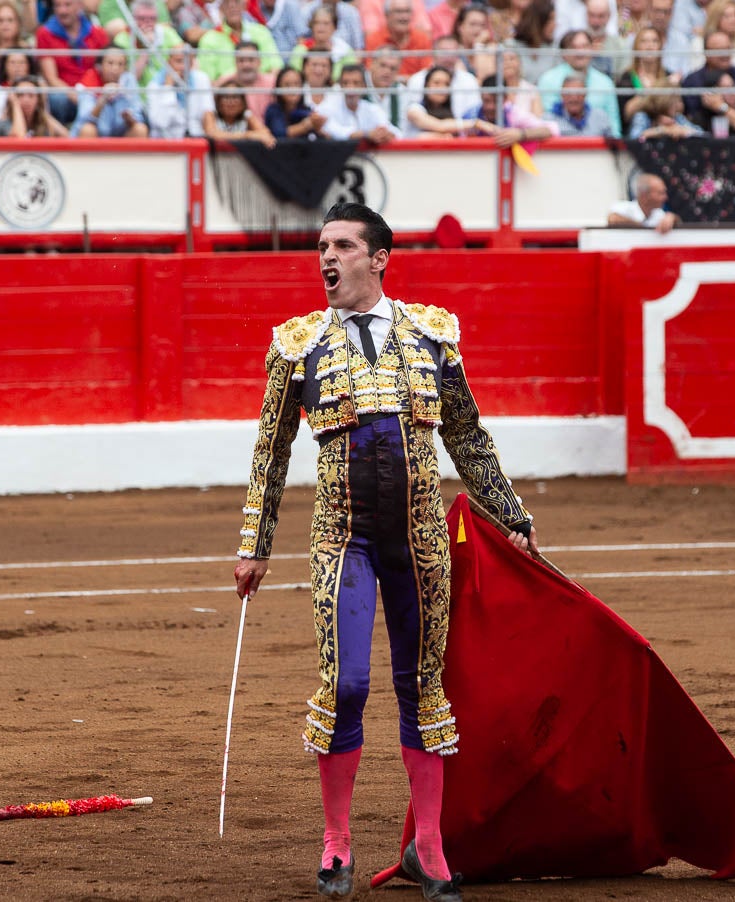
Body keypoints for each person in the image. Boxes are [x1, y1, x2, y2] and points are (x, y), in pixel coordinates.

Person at [233, 200, 538, 902]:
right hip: (343, 539)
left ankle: (427, 847)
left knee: (421, 687)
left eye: (341, 245)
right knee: (344, 685)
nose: (325, 258)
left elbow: (466, 435)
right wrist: (254, 545)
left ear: (378, 258)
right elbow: (268, 455)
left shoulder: (431, 335)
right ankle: (336, 840)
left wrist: (509, 513)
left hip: (421, 540)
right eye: (320, 247)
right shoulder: (297, 344)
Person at [35, 0, 112, 125]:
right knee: (57, 100)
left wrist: (92, 95)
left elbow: (105, 70)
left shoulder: (97, 33)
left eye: (67, 5)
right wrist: (77, 96)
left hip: (93, 92)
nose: (62, 11)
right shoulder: (44, 33)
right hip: (66, 95)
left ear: (80, 5)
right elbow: (51, 78)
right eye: (57, 6)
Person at [537, 28, 622, 135]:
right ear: (564, 53)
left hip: (598, 146)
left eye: (584, 46)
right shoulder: (548, 79)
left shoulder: (605, 82)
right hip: (560, 144)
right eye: (574, 47)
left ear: (592, 49)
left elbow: (613, 124)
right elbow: (547, 119)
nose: (580, 52)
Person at [198, 0, 284, 82]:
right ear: (220, 7)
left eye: (236, 1)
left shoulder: (261, 32)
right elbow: (208, 80)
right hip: (228, 94)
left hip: (261, 91)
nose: (232, 6)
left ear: (244, 5)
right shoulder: (209, 39)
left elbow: (276, 68)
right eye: (226, 2)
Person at [113, 0, 189, 92]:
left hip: (166, 91)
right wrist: (146, 48)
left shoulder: (167, 33)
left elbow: (186, 60)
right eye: (142, 18)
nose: (147, 22)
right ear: (133, 19)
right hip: (137, 96)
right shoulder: (122, 38)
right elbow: (129, 81)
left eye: (152, 18)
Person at [679, 29, 735, 117]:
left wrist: (733, 96)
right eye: (720, 50)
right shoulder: (692, 81)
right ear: (706, 53)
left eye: (728, 48)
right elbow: (691, 114)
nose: (725, 54)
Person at [73, 50, 150, 137]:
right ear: (100, 65)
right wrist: (103, 98)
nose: (115, 68)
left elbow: (138, 116)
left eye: (120, 64)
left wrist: (129, 118)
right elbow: (84, 120)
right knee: (87, 129)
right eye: (110, 63)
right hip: (97, 136)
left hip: (121, 135)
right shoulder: (90, 80)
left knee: (140, 129)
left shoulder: (128, 80)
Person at [316, 62, 400, 140]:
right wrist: (366, 134)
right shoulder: (327, 107)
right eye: (345, 83)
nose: (350, 88)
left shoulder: (372, 109)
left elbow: (395, 132)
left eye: (356, 83)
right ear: (340, 85)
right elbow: (334, 131)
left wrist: (387, 134)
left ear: (364, 86)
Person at [617, 26, 673, 122]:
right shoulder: (627, 77)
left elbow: (677, 110)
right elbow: (626, 114)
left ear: (660, 46)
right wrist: (649, 92)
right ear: (637, 47)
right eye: (644, 41)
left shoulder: (668, 76)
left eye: (654, 41)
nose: (649, 46)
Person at [368, 0, 435, 77]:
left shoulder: (422, 39)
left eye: (407, 11)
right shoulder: (374, 39)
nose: (404, 17)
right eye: (398, 12)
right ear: (387, 15)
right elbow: (371, 72)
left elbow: (426, 74)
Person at [688, 68, 735, 133]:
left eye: (733, 86)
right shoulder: (702, 116)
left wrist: (722, 107)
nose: (732, 92)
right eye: (725, 88)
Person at [0, 75, 72, 136]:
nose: (26, 100)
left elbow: (67, 137)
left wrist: (42, 109)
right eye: (20, 95)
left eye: (31, 95)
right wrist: (15, 105)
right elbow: (19, 139)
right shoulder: (4, 123)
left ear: (38, 99)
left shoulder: (43, 123)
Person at [217, 40, 279, 117]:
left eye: (251, 60)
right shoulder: (224, 83)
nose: (246, 65)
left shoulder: (273, 82)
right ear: (235, 62)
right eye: (241, 60)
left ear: (259, 61)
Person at [261, 64, 325, 136]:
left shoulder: (306, 110)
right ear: (279, 87)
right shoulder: (273, 110)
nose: (292, 89)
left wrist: (318, 125)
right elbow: (279, 133)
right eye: (287, 85)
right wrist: (306, 125)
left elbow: (321, 136)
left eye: (296, 84)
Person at [202, 85, 277, 145]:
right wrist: (247, 136)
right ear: (218, 101)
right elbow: (212, 135)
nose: (231, 102)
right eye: (226, 97)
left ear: (243, 102)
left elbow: (265, 133)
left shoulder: (247, 115)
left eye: (235, 97)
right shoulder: (210, 114)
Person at [608, 172, 680, 232]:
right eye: (660, 193)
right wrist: (644, 229)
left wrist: (672, 217)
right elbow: (613, 220)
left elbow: (678, 222)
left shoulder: (658, 213)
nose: (665, 197)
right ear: (644, 195)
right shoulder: (623, 207)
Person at [546, 72, 615, 134]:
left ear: (585, 94)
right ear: (562, 95)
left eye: (578, 93)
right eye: (569, 93)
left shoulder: (600, 117)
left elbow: (612, 145)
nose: (574, 98)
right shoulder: (549, 120)